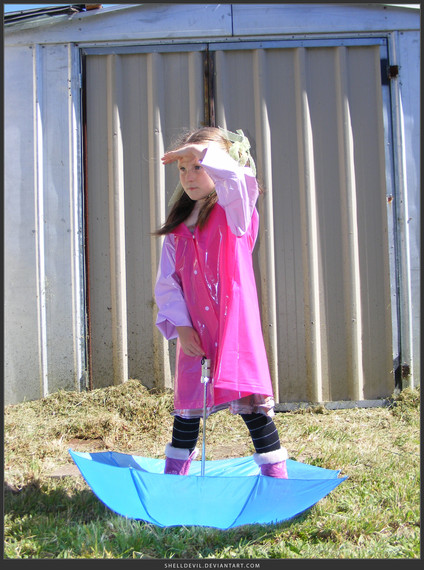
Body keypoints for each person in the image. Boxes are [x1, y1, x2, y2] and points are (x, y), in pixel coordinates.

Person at [154, 126, 288, 478]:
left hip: (233, 329)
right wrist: (182, 327)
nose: (189, 176)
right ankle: (174, 481)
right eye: (183, 168)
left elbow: (237, 180)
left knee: (253, 409)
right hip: (196, 332)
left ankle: (276, 481)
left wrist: (204, 151)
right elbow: (168, 283)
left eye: (198, 166)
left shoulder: (236, 213)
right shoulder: (178, 229)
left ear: (219, 163)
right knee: (187, 410)